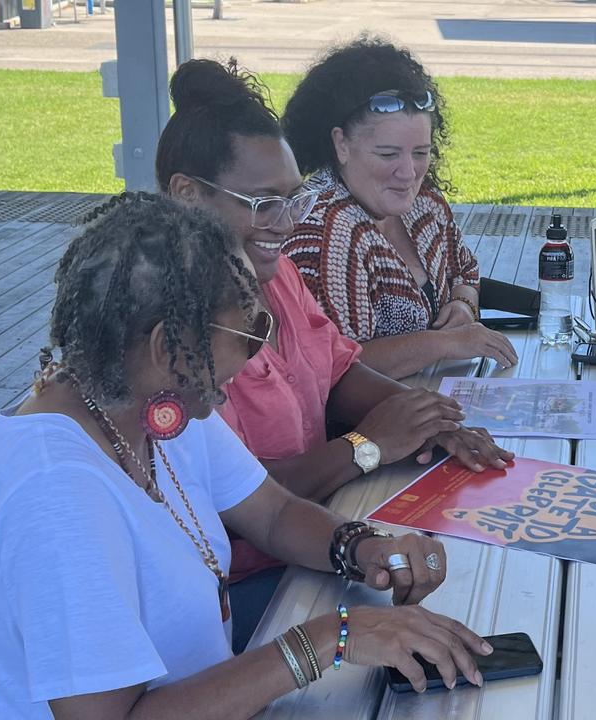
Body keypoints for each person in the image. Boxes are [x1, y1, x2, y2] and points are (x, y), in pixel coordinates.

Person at [0, 194, 494, 718]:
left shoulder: (153, 404)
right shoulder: (56, 492)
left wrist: (361, 547)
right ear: (164, 347)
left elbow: (273, 513)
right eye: (249, 332)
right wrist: (330, 639)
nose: (259, 352)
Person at [154, 58, 513, 653]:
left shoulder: (278, 276)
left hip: (312, 535)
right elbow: (247, 505)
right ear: (187, 195)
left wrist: (427, 417)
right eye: (261, 202)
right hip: (239, 587)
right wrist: (367, 447)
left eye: (290, 200)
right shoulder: (168, 342)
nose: (285, 222)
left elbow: (337, 366)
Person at [280, 37, 518, 380]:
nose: (409, 173)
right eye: (388, 154)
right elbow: (333, 364)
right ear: (341, 144)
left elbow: (463, 268)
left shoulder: (423, 205)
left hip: (431, 400)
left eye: (420, 153)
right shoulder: (319, 232)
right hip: (366, 429)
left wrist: (464, 303)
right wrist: (444, 343)